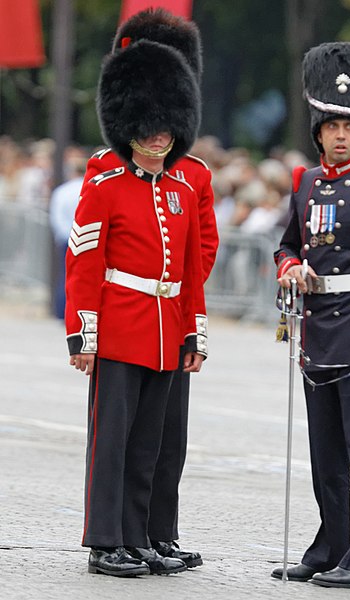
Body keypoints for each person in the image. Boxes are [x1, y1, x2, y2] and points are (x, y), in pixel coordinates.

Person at [65, 14, 208, 578]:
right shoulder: (105, 185)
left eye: (166, 129)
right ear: (129, 126)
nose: (159, 138)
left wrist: (193, 329)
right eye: (150, 129)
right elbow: (84, 261)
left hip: (166, 328)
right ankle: (105, 540)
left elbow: (190, 269)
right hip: (120, 325)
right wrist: (84, 333)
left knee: (149, 444)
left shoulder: (178, 186)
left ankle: (138, 536)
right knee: (112, 444)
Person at [271, 42, 350, 589]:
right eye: (331, 126)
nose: (341, 135)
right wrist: (291, 266)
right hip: (315, 330)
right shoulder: (304, 183)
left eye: (349, 126)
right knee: (324, 453)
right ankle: (330, 544)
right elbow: (285, 245)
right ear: (318, 131)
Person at [49, 156, 86, 319]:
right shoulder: (87, 188)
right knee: (82, 277)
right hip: (84, 238)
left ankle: (61, 311)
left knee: (65, 275)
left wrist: (64, 234)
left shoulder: (61, 191)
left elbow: (56, 216)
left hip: (66, 236)